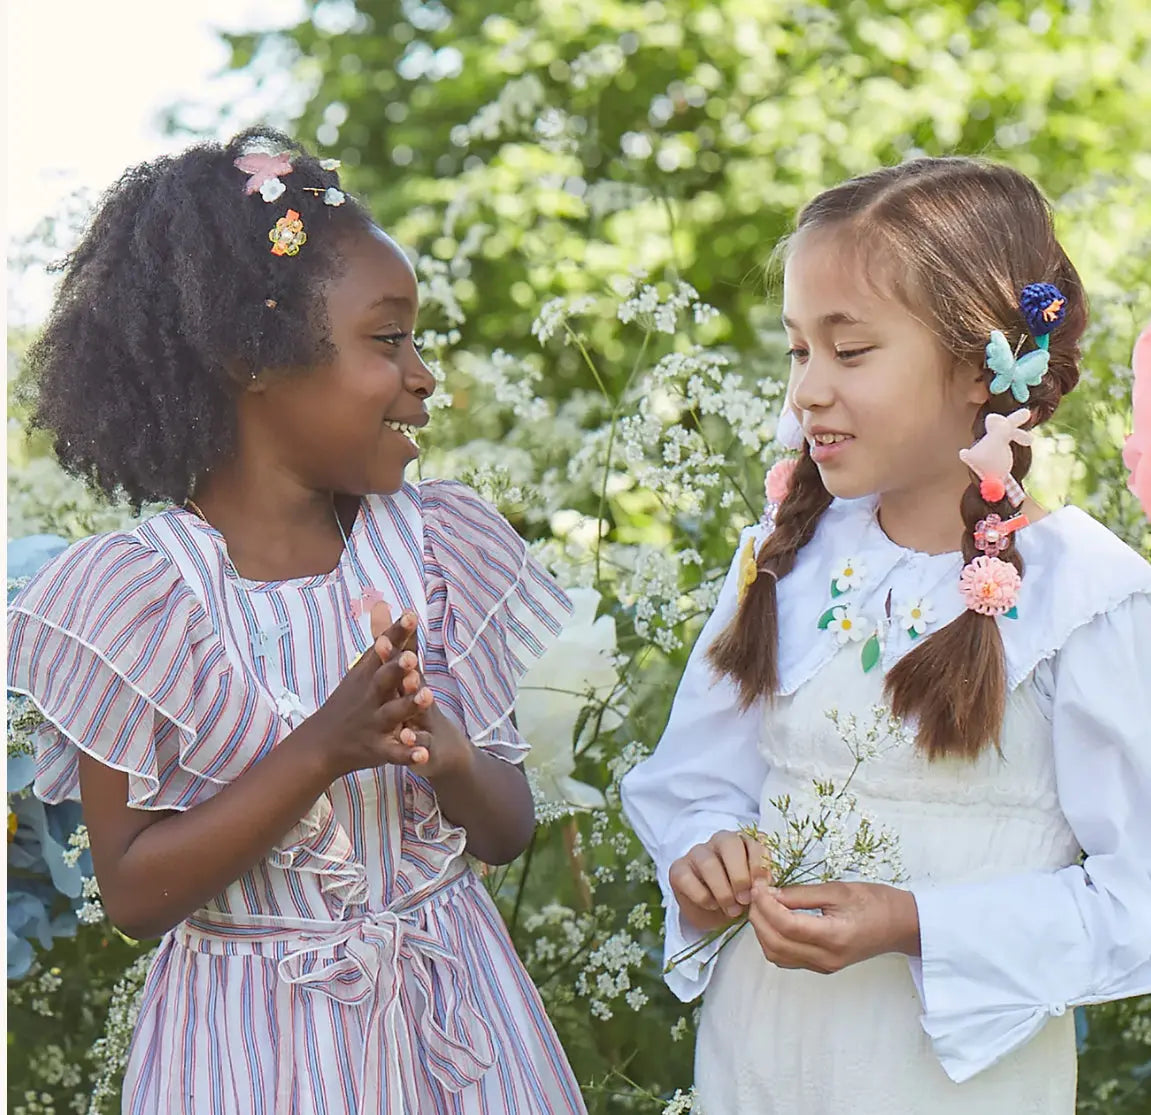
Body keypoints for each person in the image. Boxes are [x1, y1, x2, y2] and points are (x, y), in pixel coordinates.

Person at [7, 128, 587, 1115]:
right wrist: (320, 747)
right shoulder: (137, 599)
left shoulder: (435, 547)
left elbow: (507, 829)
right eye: (386, 337)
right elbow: (135, 895)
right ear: (255, 357)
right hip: (246, 1053)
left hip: (461, 1034)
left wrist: (444, 754)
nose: (424, 374)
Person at [620, 157, 1151, 1114]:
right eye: (795, 352)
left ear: (977, 361)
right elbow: (694, 781)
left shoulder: (1086, 598)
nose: (806, 393)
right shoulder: (780, 559)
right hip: (762, 1053)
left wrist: (917, 923)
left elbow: (1137, 898)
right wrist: (701, 854)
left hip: (945, 1080)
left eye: (849, 351)